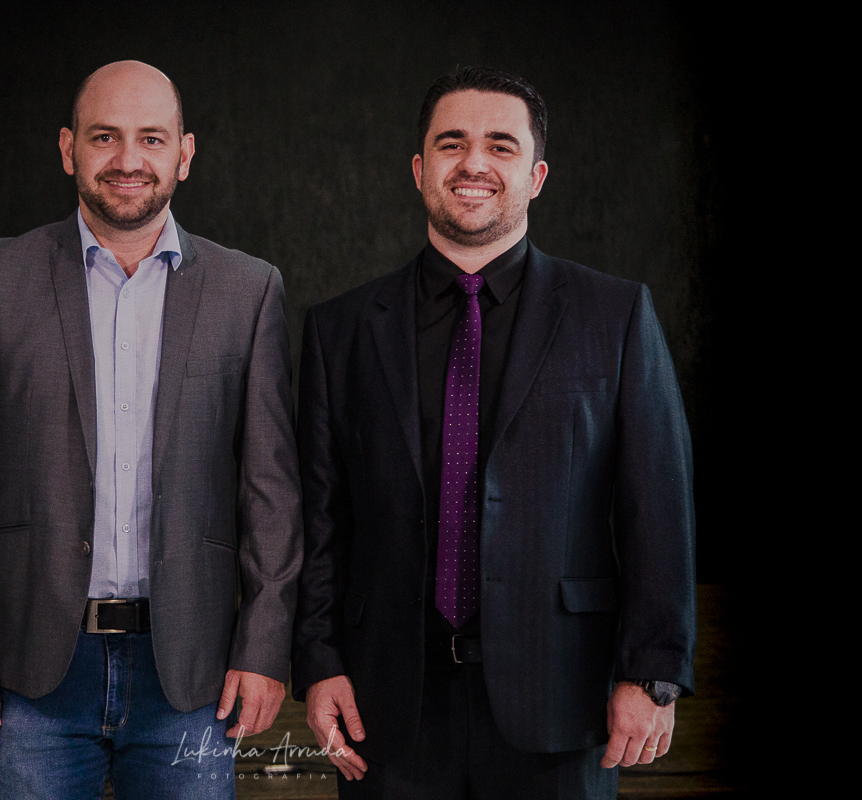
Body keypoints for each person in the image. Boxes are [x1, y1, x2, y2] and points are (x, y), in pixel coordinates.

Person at [291, 66, 695, 799]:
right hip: (387, 702)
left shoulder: (615, 316)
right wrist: (319, 663)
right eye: (452, 144)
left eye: (500, 146)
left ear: (536, 176)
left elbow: (658, 507)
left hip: (564, 696)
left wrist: (653, 672)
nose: (473, 163)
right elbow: (320, 519)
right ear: (420, 170)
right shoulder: (340, 330)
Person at [0, 60, 302, 800]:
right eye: (104, 137)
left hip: (191, 674)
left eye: (151, 138)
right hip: (22, 675)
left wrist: (264, 647)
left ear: (184, 154)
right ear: (69, 149)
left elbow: (271, 491)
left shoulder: (249, 291)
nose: (128, 159)